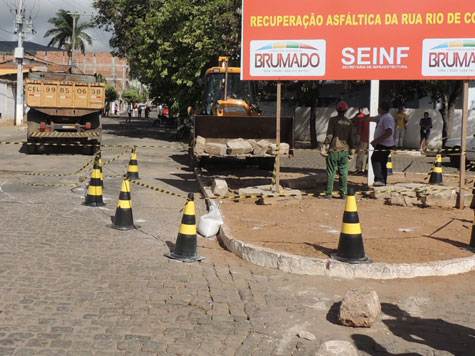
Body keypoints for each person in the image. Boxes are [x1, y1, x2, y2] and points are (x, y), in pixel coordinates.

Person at [320, 101, 355, 199]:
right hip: (344, 151)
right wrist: (352, 151)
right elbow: (351, 138)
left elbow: (329, 135)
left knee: (331, 172)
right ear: (346, 110)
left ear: (336, 110)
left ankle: (328, 193)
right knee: (344, 173)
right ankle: (343, 193)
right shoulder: (349, 122)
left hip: (333, 150)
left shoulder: (332, 120)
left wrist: (324, 147)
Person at [369, 102, 396, 186]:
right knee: (382, 161)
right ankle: (383, 180)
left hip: (384, 144)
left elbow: (389, 132)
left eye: (378, 108)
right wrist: (359, 118)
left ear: (381, 109)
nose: (377, 109)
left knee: (376, 159)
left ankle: (380, 179)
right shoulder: (382, 117)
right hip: (383, 144)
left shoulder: (387, 118)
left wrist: (377, 140)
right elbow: (372, 118)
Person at [353, 107, 369, 175]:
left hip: (371, 140)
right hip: (364, 139)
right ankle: (359, 169)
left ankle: (367, 169)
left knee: (365, 155)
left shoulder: (365, 117)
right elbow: (359, 129)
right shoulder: (363, 117)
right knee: (361, 154)